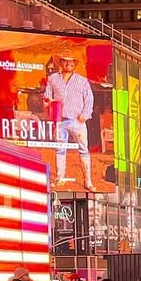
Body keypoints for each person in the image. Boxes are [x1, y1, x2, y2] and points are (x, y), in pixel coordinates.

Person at [44, 51, 94, 186]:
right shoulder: (53, 78)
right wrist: (49, 103)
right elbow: (47, 95)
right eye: (65, 60)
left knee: (83, 149)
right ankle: (60, 178)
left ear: (75, 64)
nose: (68, 63)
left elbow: (89, 98)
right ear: (61, 62)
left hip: (77, 120)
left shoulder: (82, 81)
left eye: (71, 61)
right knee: (60, 149)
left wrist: (85, 115)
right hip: (60, 120)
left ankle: (87, 181)